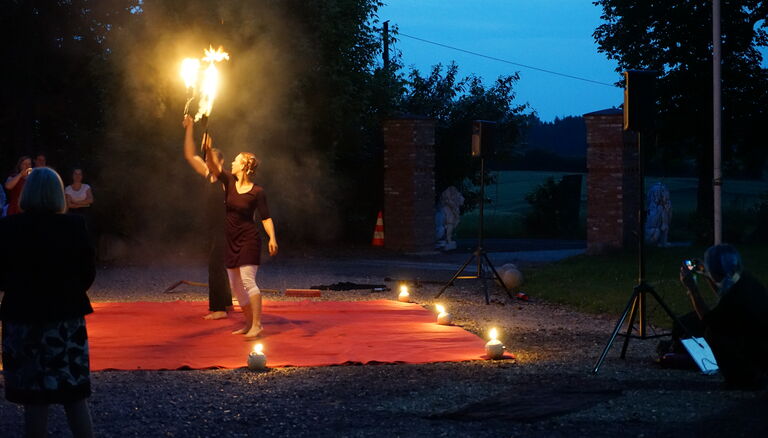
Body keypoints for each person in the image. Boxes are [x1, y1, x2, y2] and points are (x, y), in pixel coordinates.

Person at [0, 167, 96, 437]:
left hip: (23, 318)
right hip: (65, 320)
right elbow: (87, 273)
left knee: (34, 398)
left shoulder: (8, 228)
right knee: (74, 395)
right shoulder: (74, 226)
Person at [183, 115, 278, 337]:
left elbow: (266, 217)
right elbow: (207, 164)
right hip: (229, 235)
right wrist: (203, 144)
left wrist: (272, 238)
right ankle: (247, 322)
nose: (233, 163)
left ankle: (256, 324)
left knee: (246, 280)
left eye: (236, 160)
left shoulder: (254, 190)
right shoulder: (226, 181)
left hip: (245, 237)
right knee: (235, 285)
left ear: (243, 165)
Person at [679, 244, 768, 389]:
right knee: (693, 320)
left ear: (715, 269)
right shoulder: (745, 280)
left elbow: (708, 320)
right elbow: (725, 295)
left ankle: (739, 377)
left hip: (752, 356)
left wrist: (692, 289)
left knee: (711, 332)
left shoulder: (735, 297)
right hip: (759, 346)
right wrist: (707, 275)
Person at [182, 124, 233, 320]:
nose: (207, 163)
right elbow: (190, 155)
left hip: (225, 228)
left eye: (210, 160)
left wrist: (208, 149)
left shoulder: (225, 179)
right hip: (213, 228)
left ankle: (219, 309)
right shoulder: (208, 174)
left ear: (220, 162)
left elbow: (211, 162)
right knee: (219, 264)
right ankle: (226, 302)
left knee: (215, 265)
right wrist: (189, 127)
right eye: (206, 160)